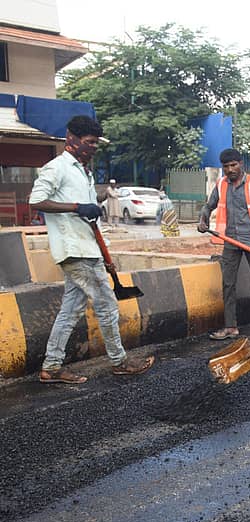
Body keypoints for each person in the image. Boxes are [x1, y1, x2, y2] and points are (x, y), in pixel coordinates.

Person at [28, 115, 155, 383]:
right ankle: (119, 362)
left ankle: (51, 367)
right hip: (74, 250)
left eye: (96, 144)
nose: (94, 148)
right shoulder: (57, 168)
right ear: (71, 140)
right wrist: (76, 207)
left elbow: (86, 211)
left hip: (88, 248)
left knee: (71, 309)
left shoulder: (82, 170)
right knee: (107, 305)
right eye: (89, 142)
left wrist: (95, 202)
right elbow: (36, 200)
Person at [198, 148, 250, 339]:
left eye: (233, 165)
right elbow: (209, 205)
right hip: (230, 240)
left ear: (241, 164)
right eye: (226, 167)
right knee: (228, 284)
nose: (230, 169)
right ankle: (231, 327)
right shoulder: (222, 184)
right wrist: (203, 218)